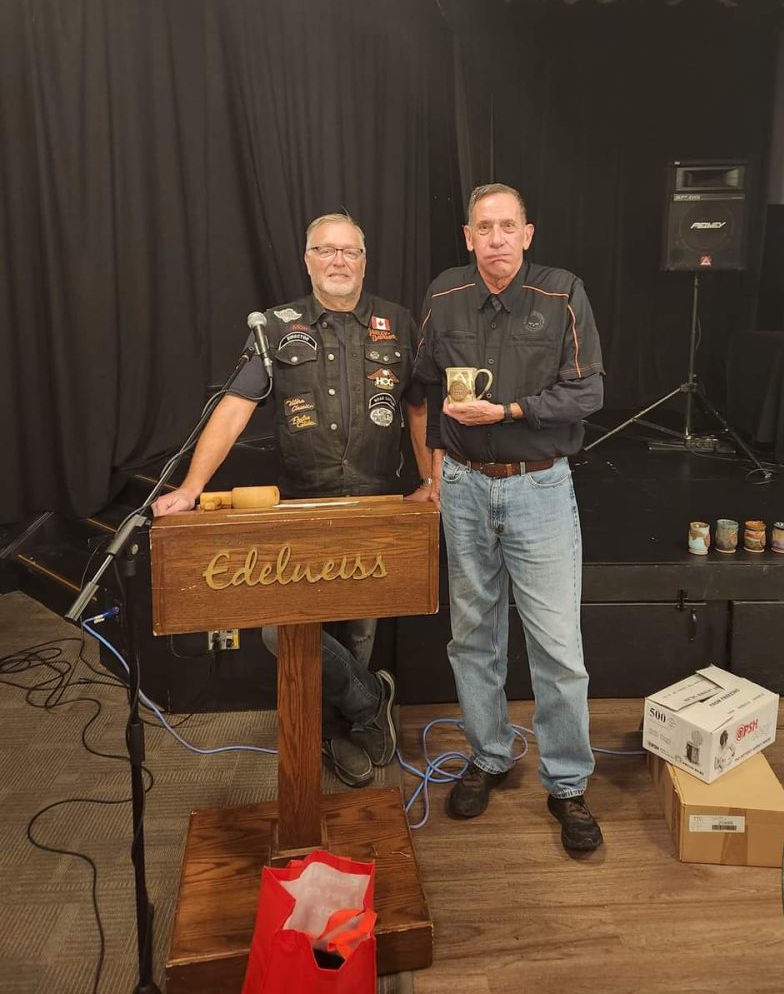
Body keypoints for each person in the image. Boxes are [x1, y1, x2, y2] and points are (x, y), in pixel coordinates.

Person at [153, 212, 433, 787]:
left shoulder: (399, 323)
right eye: (325, 250)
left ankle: (338, 730)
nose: (338, 261)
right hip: (302, 506)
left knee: (359, 630)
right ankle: (367, 704)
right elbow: (234, 408)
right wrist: (190, 487)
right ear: (307, 260)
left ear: (364, 261)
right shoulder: (276, 328)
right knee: (283, 630)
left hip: (374, 505)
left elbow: (418, 409)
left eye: (349, 251)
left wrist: (433, 481)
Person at [414, 183, 605, 853]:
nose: (495, 238)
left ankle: (568, 782)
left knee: (558, 648)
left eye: (507, 226)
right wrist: (432, 471)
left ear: (527, 234)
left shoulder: (562, 292)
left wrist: (510, 411)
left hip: (538, 487)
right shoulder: (443, 294)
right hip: (464, 488)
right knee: (473, 639)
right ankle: (490, 755)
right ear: (468, 237)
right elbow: (423, 385)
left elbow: (588, 391)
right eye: (483, 227)